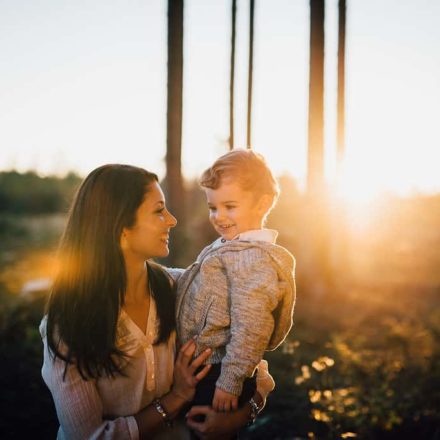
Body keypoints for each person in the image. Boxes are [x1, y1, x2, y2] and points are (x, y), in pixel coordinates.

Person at [40, 164, 274, 440]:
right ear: (121, 227)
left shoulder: (183, 288)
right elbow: (89, 436)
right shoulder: (68, 324)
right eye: (158, 210)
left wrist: (239, 417)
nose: (172, 220)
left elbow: (256, 369)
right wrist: (175, 398)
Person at [176, 149, 296, 413]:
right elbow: (199, 279)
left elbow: (252, 325)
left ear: (262, 204)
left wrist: (229, 382)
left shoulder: (252, 259)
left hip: (217, 374)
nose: (218, 216)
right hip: (204, 367)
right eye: (213, 207)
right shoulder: (231, 245)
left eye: (230, 206)